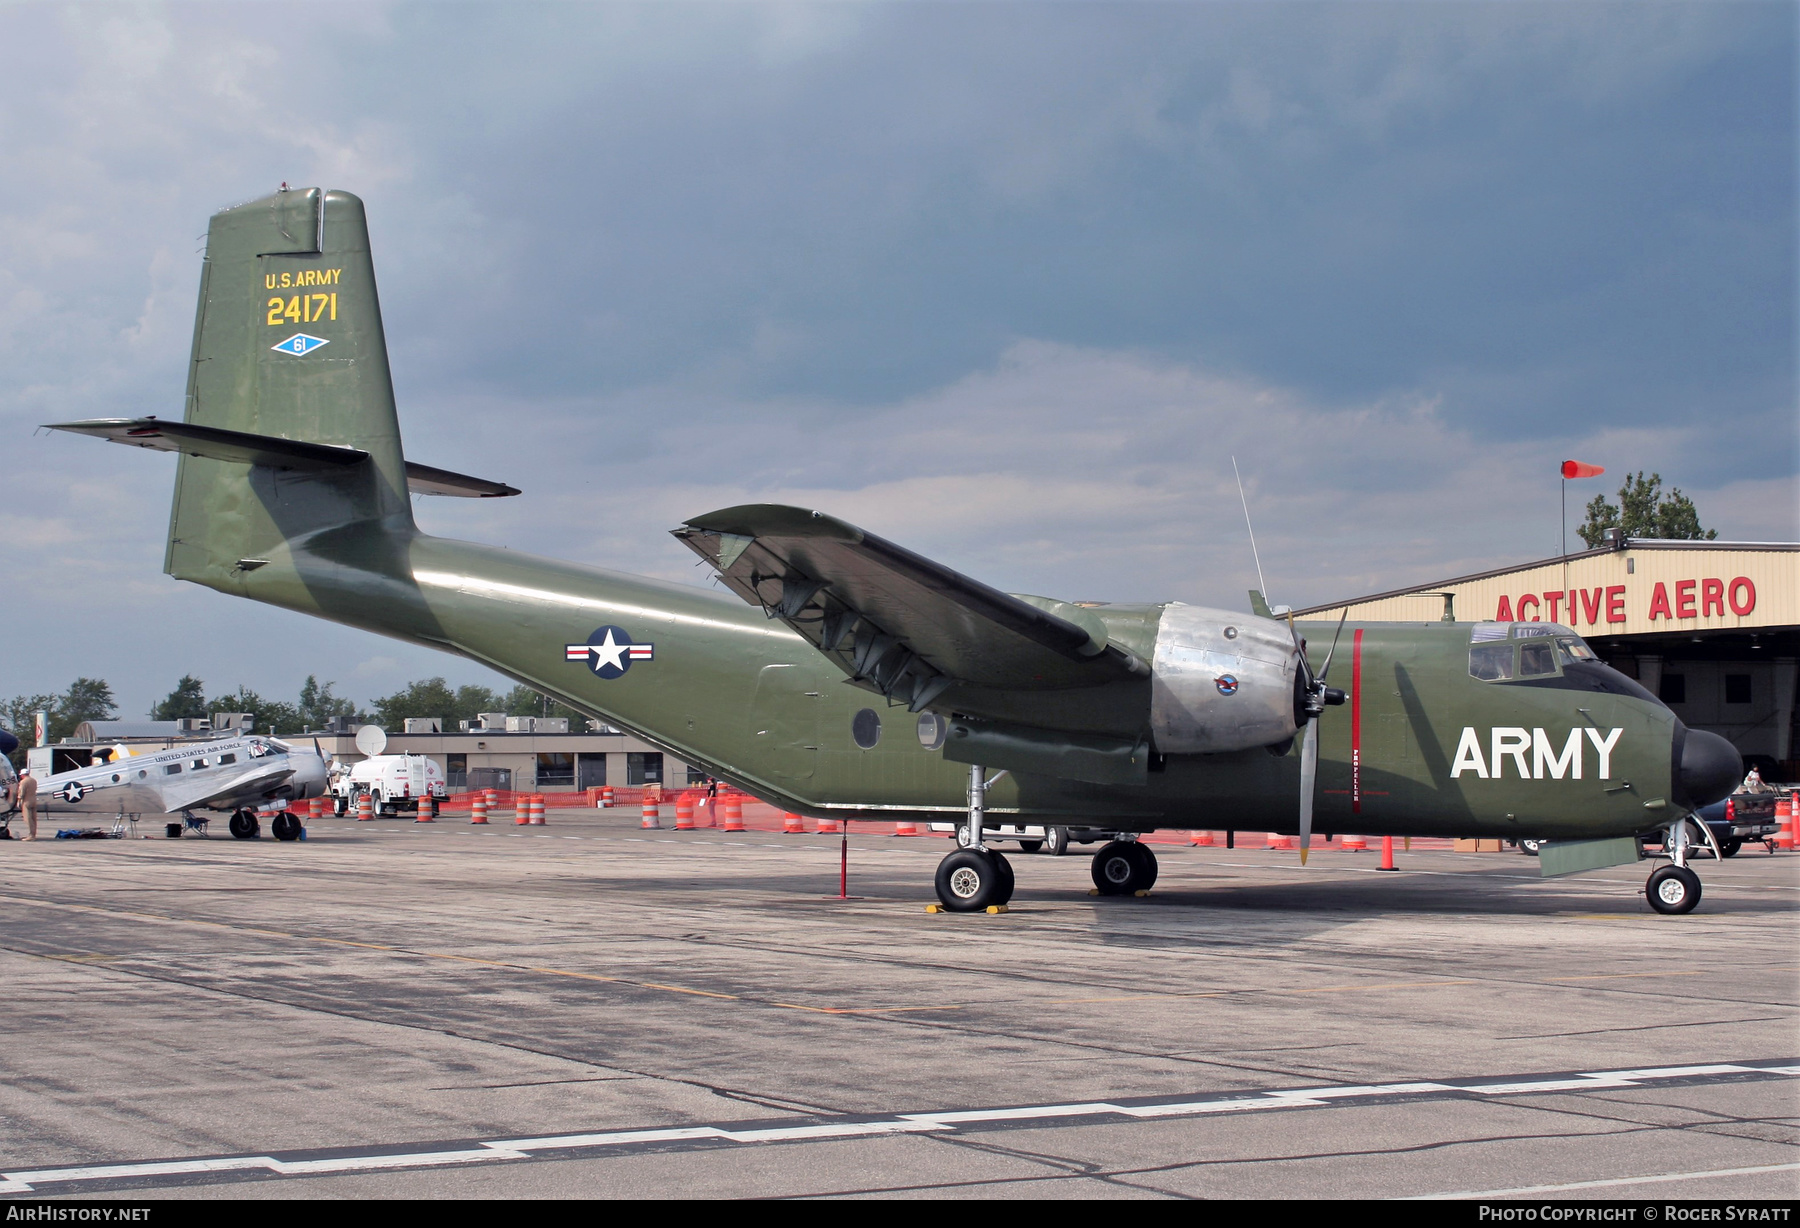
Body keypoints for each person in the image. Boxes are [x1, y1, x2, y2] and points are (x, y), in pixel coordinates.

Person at [13, 769, 38, 841]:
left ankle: (31, 836)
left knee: (28, 819)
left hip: (27, 801)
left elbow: (22, 793)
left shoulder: (23, 782)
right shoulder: (33, 780)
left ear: (22, 775)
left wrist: (19, 801)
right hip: (34, 800)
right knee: (34, 819)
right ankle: (33, 834)